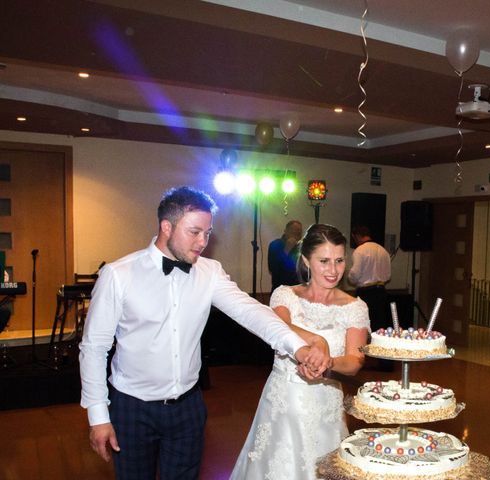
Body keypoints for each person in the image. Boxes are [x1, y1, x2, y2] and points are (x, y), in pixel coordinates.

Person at [79, 186, 330, 480]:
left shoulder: (209, 272)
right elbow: (93, 348)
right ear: (166, 226)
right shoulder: (118, 275)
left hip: (188, 408)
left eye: (208, 233)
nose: (203, 242)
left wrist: (298, 347)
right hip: (132, 407)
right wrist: (98, 416)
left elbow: (251, 311)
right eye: (195, 232)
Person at [230, 223, 370, 480]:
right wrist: (317, 341)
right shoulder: (285, 296)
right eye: (324, 261)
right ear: (306, 260)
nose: (333, 270)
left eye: (339, 260)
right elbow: (280, 327)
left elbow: (353, 362)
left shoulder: (355, 307)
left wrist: (327, 362)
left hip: (325, 407)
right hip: (282, 406)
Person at [348, 225, 392, 332]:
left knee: (364, 325)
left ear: (357, 236)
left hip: (365, 294)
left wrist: (349, 278)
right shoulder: (383, 251)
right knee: (379, 325)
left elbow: (355, 273)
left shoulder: (360, 251)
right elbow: (388, 275)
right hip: (381, 292)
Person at [267, 219, 303, 292]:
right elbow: (273, 269)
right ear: (285, 231)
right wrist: (287, 250)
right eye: (293, 231)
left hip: (299, 291)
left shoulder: (302, 247)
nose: (296, 233)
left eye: (298, 232)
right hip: (281, 290)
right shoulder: (276, 245)